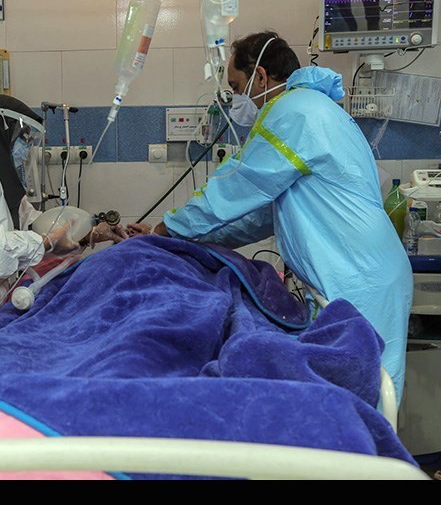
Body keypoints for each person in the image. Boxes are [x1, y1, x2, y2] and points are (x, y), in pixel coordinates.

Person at [152, 31, 413, 403]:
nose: (236, 100)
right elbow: (260, 216)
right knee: (368, 395)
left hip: (357, 276)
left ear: (260, 77)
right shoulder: (314, 108)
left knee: (360, 399)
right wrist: (189, 238)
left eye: (236, 87)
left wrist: (167, 228)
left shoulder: (294, 111)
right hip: (368, 270)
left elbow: (237, 187)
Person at [0, 94, 149, 392]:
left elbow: (33, 224)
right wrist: (44, 243)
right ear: (2, 130)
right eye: (23, 138)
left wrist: (90, 234)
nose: (26, 147)